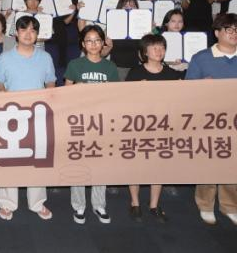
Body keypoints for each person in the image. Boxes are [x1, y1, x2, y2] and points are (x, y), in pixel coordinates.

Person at [0, 15, 55, 221]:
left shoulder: (45, 57)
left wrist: (48, 97)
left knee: (37, 160)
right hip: (11, 115)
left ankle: (37, 202)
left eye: (32, 30)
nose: (28, 34)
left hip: (38, 116)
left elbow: (51, 82)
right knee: (9, 159)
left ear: (37, 34)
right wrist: (4, 95)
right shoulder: (5, 58)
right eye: (24, 29)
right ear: (16, 33)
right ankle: (7, 202)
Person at [185, 13, 237, 226]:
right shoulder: (201, 58)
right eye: (229, 29)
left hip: (235, 121)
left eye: (236, 30)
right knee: (208, 162)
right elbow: (187, 90)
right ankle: (205, 204)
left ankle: (229, 205)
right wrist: (201, 88)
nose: (234, 33)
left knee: (232, 163)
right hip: (209, 120)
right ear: (217, 33)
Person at [125, 34, 184, 222]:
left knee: (158, 165)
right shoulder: (135, 73)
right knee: (135, 164)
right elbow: (124, 101)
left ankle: (154, 204)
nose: (159, 51)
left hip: (163, 127)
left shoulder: (172, 74)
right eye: (154, 47)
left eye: (162, 47)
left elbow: (180, 102)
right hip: (138, 127)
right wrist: (137, 91)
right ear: (145, 51)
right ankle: (135, 203)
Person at [64, 25, 118, 224]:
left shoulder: (110, 67)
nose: (93, 44)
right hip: (80, 121)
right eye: (89, 40)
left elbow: (116, 96)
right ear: (83, 44)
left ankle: (99, 204)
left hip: (102, 122)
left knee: (100, 164)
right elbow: (65, 94)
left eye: (97, 40)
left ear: (103, 43)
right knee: (79, 163)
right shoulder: (75, 64)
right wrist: (75, 89)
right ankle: (78, 205)